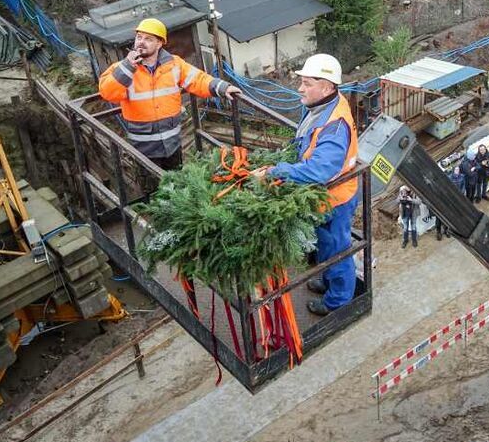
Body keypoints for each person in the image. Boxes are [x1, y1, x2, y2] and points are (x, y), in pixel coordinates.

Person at [260, 54, 357, 315]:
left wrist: (277, 171)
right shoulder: (320, 106)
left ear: (326, 86)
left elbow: (319, 169)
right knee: (326, 245)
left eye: (307, 83)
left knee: (338, 250)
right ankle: (327, 283)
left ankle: (337, 302)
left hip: (336, 198)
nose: (300, 89)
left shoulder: (334, 125)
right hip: (325, 197)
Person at [98, 18, 241, 170]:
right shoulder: (121, 69)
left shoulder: (174, 64)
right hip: (144, 149)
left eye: (148, 39)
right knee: (153, 191)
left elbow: (198, 79)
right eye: (139, 37)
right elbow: (107, 93)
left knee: (176, 183)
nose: (141, 42)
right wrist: (128, 67)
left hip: (172, 144)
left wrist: (223, 87)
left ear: (159, 43)